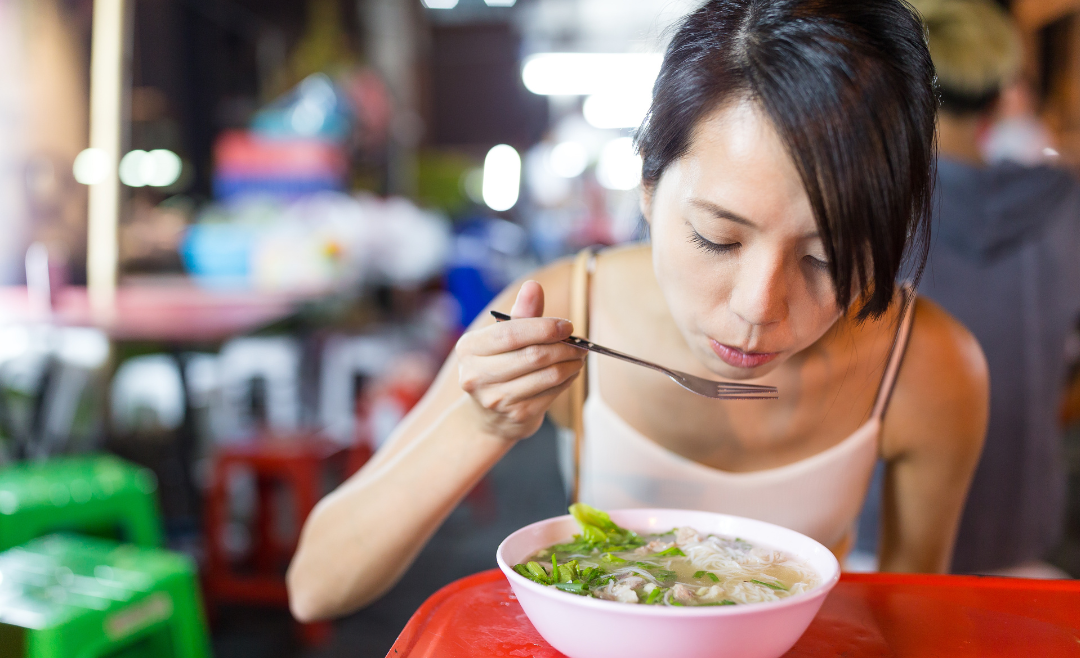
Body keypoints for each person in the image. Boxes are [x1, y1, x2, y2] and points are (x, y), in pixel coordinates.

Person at [287, 0, 990, 621]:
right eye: (717, 237)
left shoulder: (925, 365)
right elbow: (316, 587)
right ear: (649, 189)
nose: (757, 308)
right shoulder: (565, 308)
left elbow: (909, 611)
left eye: (826, 260)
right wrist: (481, 422)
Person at [911, 0, 1080, 577]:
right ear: (1002, 88)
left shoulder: (883, 204)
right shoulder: (1065, 203)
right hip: (1023, 525)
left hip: (889, 523)